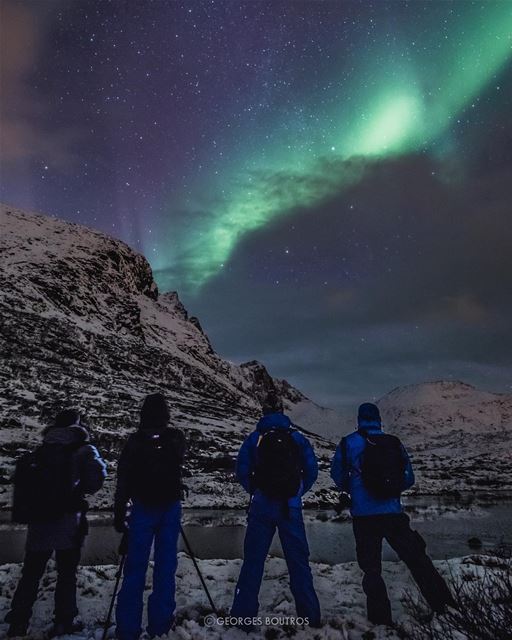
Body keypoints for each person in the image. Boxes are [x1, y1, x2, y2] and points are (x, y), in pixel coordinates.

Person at [331, 402, 455, 626]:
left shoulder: (348, 443)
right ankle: (445, 606)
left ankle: (381, 621)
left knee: (371, 569)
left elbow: (337, 475)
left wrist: (355, 491)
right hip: (393, 514)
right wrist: (389, 491)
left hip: (363, 517)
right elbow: (408, 478)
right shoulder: (394, 442)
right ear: (379, 419)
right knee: (417, 559)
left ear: (359, 419)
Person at [6, 408, 107, 638]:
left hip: (39, 523)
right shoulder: (83, 449)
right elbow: (96, 479)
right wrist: (80, 488)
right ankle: (64, 621)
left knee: (31, 572)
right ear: (77, 425)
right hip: (68, 523)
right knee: (67, 574)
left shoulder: (42, 450)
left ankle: (18, 621)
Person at [231, 392, 321, 629]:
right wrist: (297, 493)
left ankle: (243, 619)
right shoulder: (297, 438)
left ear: (263, 410)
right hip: (290, 508)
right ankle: (310, 617)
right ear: (282, 410)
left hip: (261, 506)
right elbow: (312, 470)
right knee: (299, 563)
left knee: (253, 562)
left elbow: (241, 471)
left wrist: (257, 491)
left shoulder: (255, 439)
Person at [114, 393, 186, 640]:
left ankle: (127, 629)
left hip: (142, 509)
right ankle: (161, 627)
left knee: (134, 570)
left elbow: (123, 480)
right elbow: (179, 462)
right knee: (165, 569)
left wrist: (119, 513)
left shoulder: (134, 442)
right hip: (170, 508)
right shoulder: (175, 439)